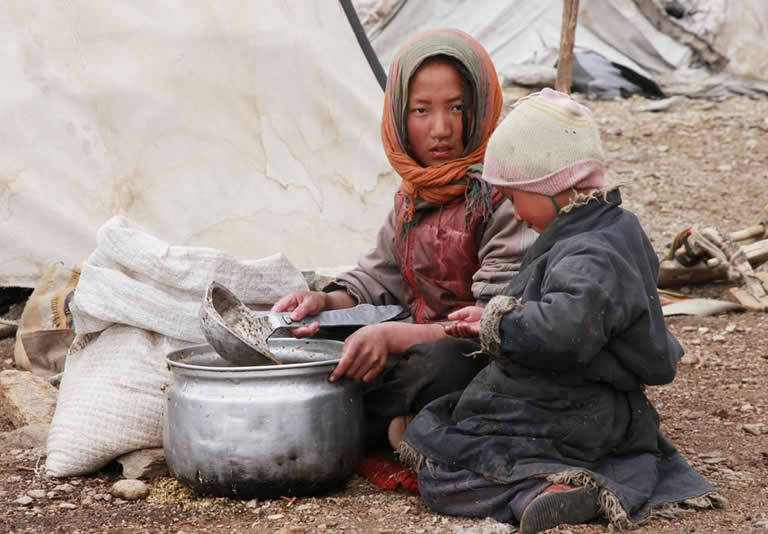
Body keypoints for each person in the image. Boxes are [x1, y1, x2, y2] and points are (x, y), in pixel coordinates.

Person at [397, 89, 722, 533]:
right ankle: (550, 485)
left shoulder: (590, 254)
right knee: (453, 433)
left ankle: (546, 491)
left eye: (515, 194)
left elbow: (566, 330)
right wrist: (490, 318)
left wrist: (498, 322)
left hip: (571, 410)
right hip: (587, 406)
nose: (512, 207)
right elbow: (564, 311)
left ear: (554, 186)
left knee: (444, 474)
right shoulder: (609, 230)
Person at [271, 29, 532, 448]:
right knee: (318, 339)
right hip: (420, 340)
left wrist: (395, 338)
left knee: (442, 365)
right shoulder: (413, 195)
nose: (441, 129)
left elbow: (494, 323)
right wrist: (323, 302)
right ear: (398, 117)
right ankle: (390, 420)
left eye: (456, 108)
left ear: (480, 108)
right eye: (421, 111)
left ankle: (352, 417)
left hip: (481, 352)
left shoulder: (504, 197)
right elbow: (376, 279)